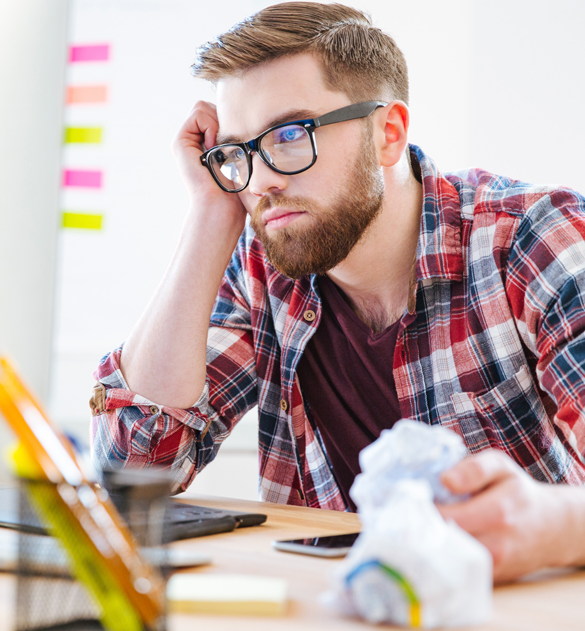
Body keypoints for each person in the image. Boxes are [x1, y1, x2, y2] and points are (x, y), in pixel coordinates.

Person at [89, 2, 585, 583]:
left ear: (388, 134)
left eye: (290, 136)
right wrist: (208, 216)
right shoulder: (262, 269)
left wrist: (552, 525)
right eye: (237, 153)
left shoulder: (533, 239)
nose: (261, 181)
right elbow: (134, 469)